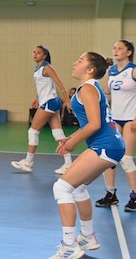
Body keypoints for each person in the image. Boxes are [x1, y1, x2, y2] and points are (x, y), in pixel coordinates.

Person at [49, 52, 125, 259]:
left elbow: (94, 124)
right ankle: (87, 237)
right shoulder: (89, 88)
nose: (75, 62)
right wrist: (71, 137)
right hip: (111, 145)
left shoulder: (88, 89)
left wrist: (73, 142)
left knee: (61, 187)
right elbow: (91, 122)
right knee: (77, 186)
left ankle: (69, 246)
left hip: (106, 145)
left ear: (90, 69)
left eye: (80, 61)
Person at [11, 46, 73, 174]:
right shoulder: (37, 69)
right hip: (49, 102)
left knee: (33, 132)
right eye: (34, 52)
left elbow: (60, 84)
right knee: (58, 134)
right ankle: (68, 164)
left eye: (38, 53)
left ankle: (28, 162)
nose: (35, 54)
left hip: (50, 102)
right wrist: (37, 97)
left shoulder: (47, 68)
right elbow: (44, 86)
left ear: (44, 56)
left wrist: (67, 101)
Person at [95, 40, 136, 212]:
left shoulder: (133, 70)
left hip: (130, 120)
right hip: (115, 119)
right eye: (114, 48)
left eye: (120, 48)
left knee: (126, 159)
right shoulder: (111, 71)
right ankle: (110, 194)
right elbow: (108, 94)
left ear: (129, 52)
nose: (115, 50)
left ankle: (134, 196)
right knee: (109, 157)